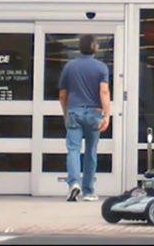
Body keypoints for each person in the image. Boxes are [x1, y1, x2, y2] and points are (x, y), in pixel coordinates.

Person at [58, 34, 111, 202]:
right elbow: (104, 92)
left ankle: (74, 183)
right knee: (91, 151)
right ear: (95, 47)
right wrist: (107, 115)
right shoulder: (101, 68)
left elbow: (62, 95)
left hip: (74, 111)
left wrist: (66, 113)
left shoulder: (69, 67)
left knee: (73, 149)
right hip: (94, 113)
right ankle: (88, 191)